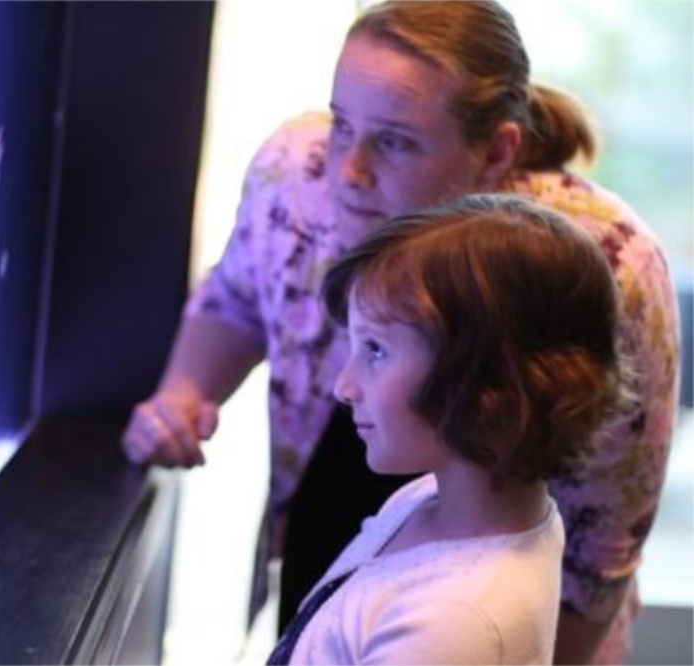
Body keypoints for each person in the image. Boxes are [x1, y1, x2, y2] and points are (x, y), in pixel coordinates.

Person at [120, 1, 680, 663]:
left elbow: (596, 559)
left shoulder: (601, 269)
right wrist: (183, 395)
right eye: (340, 123)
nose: (348, 172)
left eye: (395, 141)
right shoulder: (295, 171)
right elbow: (239, 295)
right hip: (360, 509)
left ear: (497, 150)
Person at [267, 193, 626, 665]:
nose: (344, 386)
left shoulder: (452, 624)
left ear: (491, 382)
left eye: (375, 350)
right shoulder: (421, 500)